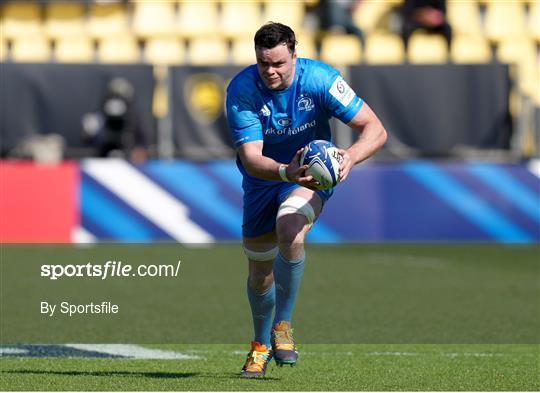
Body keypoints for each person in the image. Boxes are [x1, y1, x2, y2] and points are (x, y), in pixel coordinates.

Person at [226, 22, 387, 378]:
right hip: (264, 179)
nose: (270, 71)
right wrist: (286, 171)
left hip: (310, 177)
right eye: (263, 63)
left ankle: (282, 326)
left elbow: (375, 129)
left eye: (279, 63)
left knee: (291, 227)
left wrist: (349, 157)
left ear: (294, 56)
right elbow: (252, 158)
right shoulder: (242, 90)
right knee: (259, 273)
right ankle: (259, 344)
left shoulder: (320, 80)